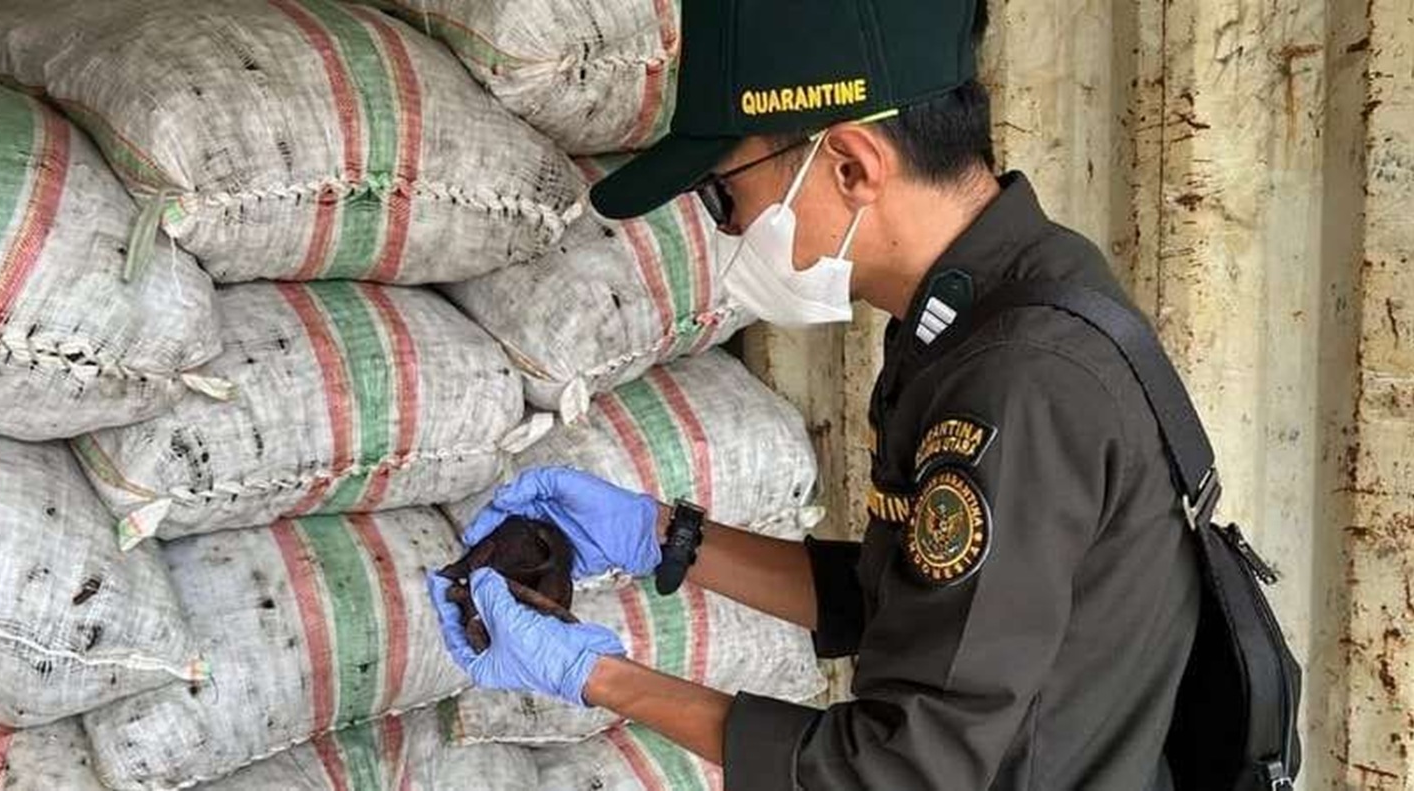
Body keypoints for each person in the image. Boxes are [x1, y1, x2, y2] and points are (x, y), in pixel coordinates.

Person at [427, 0, 1201, 788]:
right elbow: (907, 600)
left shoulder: (1016, 383)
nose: (729, 230)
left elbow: (898, 771)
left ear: (851, 166)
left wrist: (596, 675)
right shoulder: (997, 294)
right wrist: (660, 536)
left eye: (723, 194)